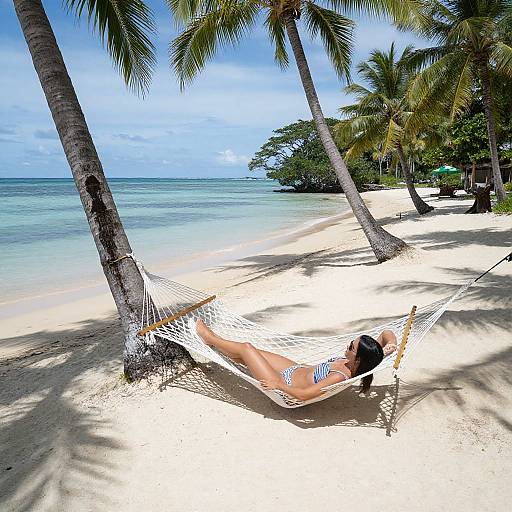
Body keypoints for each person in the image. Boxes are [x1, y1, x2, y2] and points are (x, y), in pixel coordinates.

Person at [192, 319, 397, 401]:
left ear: (358, 359)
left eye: (351, 347)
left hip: (286, 383)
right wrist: (391, 346)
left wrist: (279, 384)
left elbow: (305, 395)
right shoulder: (372, 358)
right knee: (245, 356)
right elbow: (387, 332)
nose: (348, 345)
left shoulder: (339, 375)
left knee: (246, 349)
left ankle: (210, 339)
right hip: (293, 368)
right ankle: (216, 346)